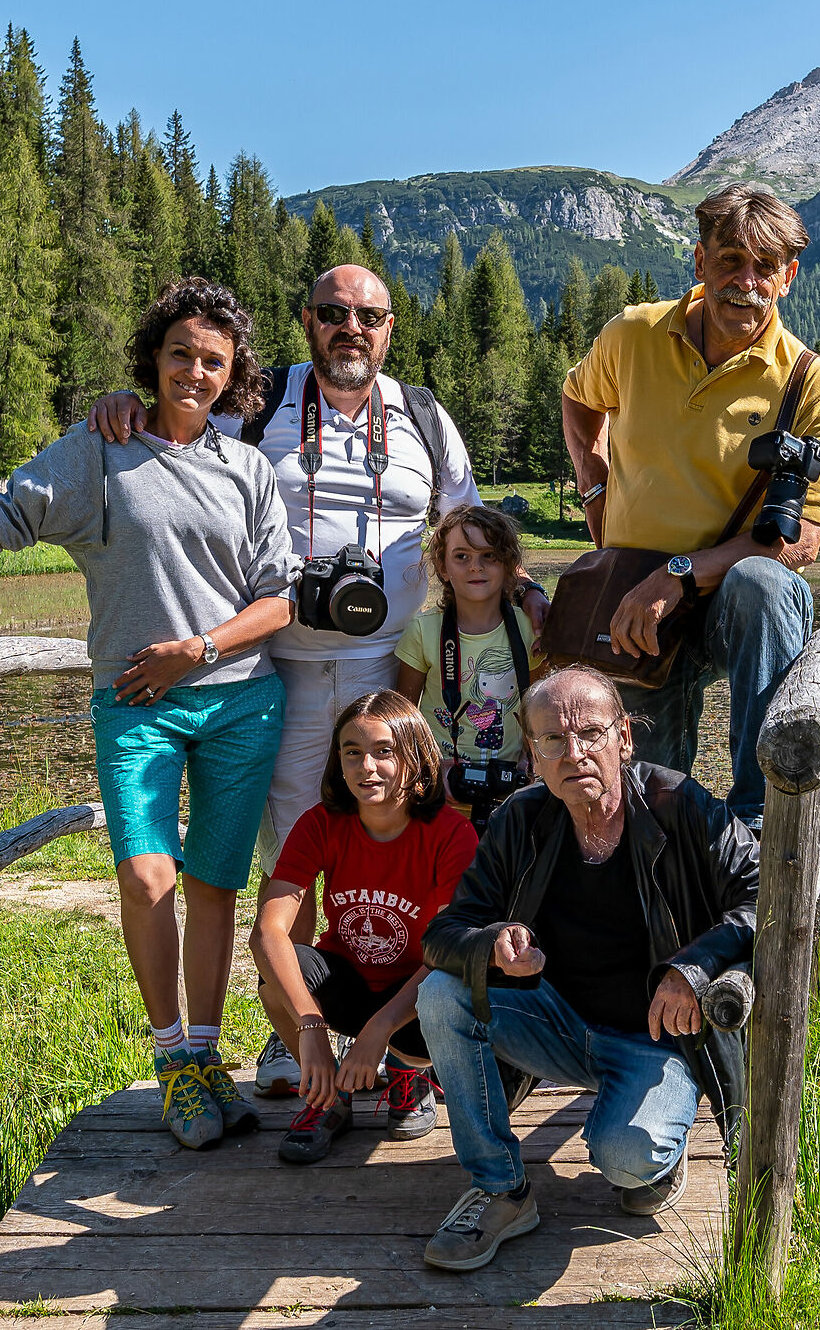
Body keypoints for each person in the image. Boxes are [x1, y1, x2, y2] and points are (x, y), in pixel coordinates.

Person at [0, 277, 294, 1151]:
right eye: (181, 354)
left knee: (213, 887)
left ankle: (206, 1053)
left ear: (232, 376)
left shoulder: (247, 470)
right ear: (153, 359)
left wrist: (193, 649)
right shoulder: (100, 452)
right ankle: (172, 1065)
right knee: (148, 876)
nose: (195, 371)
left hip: (241, 702)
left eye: (214, 361)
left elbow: (278, 601)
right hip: (136, 707)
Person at [90, 262, 547, 1097]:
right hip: (281, 662)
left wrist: (528, 596)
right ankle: (286, 1024)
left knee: (399, 834)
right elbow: (175, 426)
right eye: (334, 313)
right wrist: (121, 408)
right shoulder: (257, 400)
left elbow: (468, 523)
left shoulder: (422, 415)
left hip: (392, 663)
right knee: (295, 840)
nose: (352, 328)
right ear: (308, 320)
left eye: (369, 316)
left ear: (390, 328)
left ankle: (405, 1039)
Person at [413, 665, 759, 1272]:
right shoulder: (519, 821)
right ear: (532, 756)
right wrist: (493, 944)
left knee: (625, 1160)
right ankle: (500, 1190)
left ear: (624, 738)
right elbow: (443, 935)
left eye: (591, 734)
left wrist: (693, 970)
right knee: (443, 995)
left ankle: (657, 1145)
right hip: (558, 1024)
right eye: (552, 740)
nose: (574, 753)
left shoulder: (680, 804)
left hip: (659, 1038)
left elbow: (770, 896)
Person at [559, 183, 820, 826]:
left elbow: (799, 544)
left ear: (788, 277)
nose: (745, 282)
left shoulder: (810, 383)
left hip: (728, 603)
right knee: (640, 802)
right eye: (730, 260)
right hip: (634, 595)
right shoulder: (632, 335)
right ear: (699, 262)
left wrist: (680, 574)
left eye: (765, 266)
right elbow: (578, 399)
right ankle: (652, 875)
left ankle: (755, 820)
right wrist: (595, 480)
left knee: (765, 585)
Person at [248, 691, 477, 1164]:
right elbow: (268, 932)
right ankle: (328, 1094)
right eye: (352, 752)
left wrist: (379, 1031)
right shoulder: (320, 824)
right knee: (277, 979)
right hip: (347, 984)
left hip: (418, 994)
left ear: (415, 756)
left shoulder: (451, 833)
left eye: (383, 751)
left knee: (443, 997)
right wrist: (311, 1027)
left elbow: (449, 952)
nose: (365, 766)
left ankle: (407, 1074)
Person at [392, 504, 541, 829]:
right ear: (442, 567)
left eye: (490, 556)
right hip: (439, 793)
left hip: (509, 796)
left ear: (509, 566)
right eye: (462, 557)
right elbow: (402, 718)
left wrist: (534, 762)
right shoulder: (423, 630)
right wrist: (428, 768)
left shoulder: (528, 630)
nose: (476, 567)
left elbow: (540, 707)